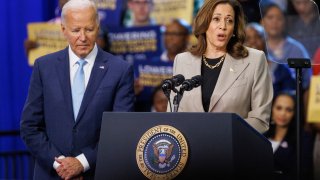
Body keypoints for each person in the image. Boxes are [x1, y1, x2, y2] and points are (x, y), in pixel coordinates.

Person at [20, 0, 135, 179]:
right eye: (75, 30)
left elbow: (122, 131)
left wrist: (82, 163)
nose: (83, 37)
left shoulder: (120, 70)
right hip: (52, 174)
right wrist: (61, 165)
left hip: (97, 173)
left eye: (89, 29)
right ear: (63, 30)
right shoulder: (44, 67)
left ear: (98, 27)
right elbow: (30, 127)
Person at [169, 0, 273, 134]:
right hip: (192, 148)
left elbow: (260, 120)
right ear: (204, 23)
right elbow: (173, 113)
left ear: (234, 28)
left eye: (229, 21)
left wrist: (221, 134)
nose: (223, 26)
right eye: (216, 19)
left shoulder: (254, 59)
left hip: (233, 147)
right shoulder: (182, 60)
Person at [264, 92, 314, 180]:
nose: (283, 113)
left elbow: (303, 172)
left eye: (289, 110)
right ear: (272, 109)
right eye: (279, 108)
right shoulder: (261, 136)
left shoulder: (302, 139)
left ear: (294, 113)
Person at [244, 22, 295, 96]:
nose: (253, 41)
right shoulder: (236, 69)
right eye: (248, 39)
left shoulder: (281, 69)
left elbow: (289, 97)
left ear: (265, 40)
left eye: (257, 37)